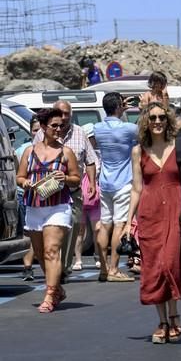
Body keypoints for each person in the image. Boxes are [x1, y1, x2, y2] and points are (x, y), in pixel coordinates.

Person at [124, 102, 181, 344]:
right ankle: (163, 321)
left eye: (161, 117)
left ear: (168, 121)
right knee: (154, 269)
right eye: (152, 117)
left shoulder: (179, 144)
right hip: (149, 214)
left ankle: (174, 315)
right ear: (146, 121)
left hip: (175, 211)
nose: (157, 121)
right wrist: (128, 220)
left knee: (169, 265)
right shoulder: (138, 151)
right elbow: (136, 188)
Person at [16, 108, 81, 313]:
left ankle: (49, 294)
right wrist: (25, 182)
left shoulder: (66, 152)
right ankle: (57, 290)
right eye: (54, 126)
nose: (59, 129)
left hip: (59, 205)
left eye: (62, 126)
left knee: (52, 250)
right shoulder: (30, 151)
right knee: (42, 254)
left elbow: (76, 178)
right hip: (35, 206)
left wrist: (66, 179)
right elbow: (19, 177)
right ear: (43, 127)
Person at [34, 100, 98, 280]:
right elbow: (33, 157)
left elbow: (90, 160)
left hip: (73, 190)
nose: (62, 118)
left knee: (73, 227)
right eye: (59, 114)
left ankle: (64, 267)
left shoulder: (80, 133)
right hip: (50, 192)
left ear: (71, 114)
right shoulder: (42, 133)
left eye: (66, 114)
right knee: (49, 231)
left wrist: (92, 183)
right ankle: (53, 267)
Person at [94, 93, 139, 282]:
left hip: (105, 182)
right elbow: (142, 133)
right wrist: (126, 110)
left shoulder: (97, 128)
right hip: (123, 182)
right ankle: (113, 269)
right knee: (119, 225)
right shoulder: (129, 128)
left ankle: (103, 269)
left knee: (105, 224)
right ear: (120, 106)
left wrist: (120, 108)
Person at [73, 123, 102, 272]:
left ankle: (98, 256)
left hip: (94, 196)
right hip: (79, 195)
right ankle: (78, 259)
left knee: (97, 228)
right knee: (79, 230)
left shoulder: (97, 155)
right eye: (92, 138)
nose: (94, 140)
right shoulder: (77, 153)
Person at [16, 115, 40, 281]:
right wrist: (25, 184)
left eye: (40, 129)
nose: (37, 133)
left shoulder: (54, 150)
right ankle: (27, 267)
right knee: (29, 232)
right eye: (34, 130)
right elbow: (18, 175)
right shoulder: (24, 150)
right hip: (26, 196)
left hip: (49, 198)